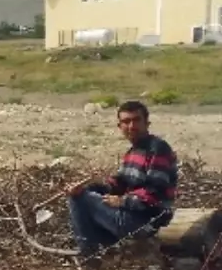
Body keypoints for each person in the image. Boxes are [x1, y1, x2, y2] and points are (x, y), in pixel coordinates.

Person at [67, 100, 178, 260]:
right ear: (119, 127)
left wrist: (123, 201)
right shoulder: (133, 152)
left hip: (148, 222)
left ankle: (89, 253)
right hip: (130, 216)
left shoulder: (157, 149)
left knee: (80, 198)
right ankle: (92, 250)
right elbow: (119, 184)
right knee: (80, 193)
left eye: (136, 120)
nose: (131, 126)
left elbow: (156, 192)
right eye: (126, 122)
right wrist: (94, 188)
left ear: (147, 123)